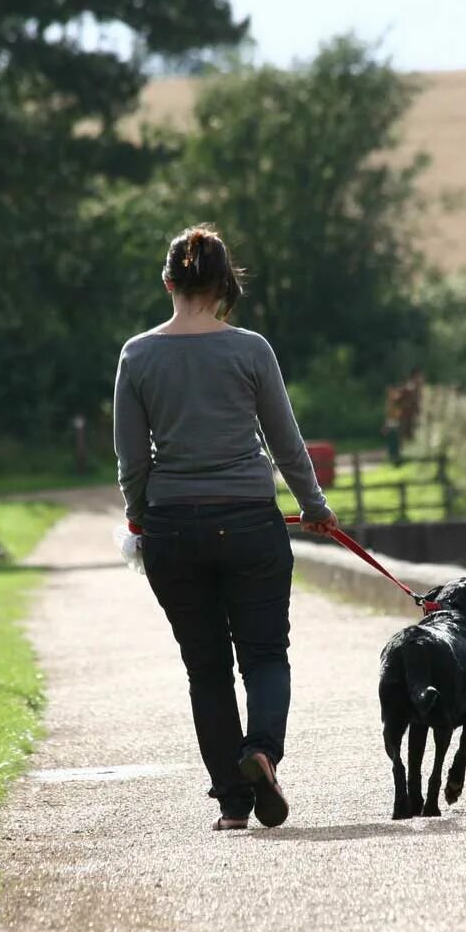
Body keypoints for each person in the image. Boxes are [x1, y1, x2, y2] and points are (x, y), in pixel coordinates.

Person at [114, 225, 339, 831]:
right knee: (265, 654)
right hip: (249, 523)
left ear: (168, 283)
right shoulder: (251, 350)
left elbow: (132, 460)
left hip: (172, 530)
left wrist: (141, 513)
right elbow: (287, 444)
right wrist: (314, 506)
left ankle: (233, 804)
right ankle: (261, 751)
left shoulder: (137, 355)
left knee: (205, 667)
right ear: (224, 286)